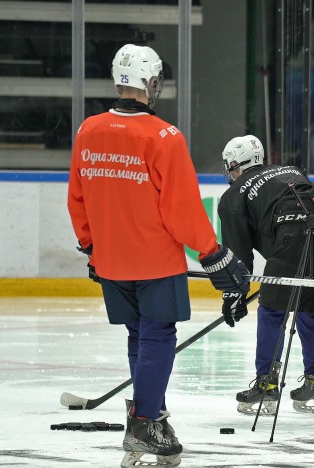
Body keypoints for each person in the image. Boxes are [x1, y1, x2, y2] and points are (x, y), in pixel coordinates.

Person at [67, 44, 249, 468]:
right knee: (158, 335)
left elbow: (78, 198)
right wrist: (215, 254)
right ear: (151, 83)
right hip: (154, 261)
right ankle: (145, 421)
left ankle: (152, 416)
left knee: (138, 336)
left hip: (111, 260)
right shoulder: (164, 136)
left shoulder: (87, 130)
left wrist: (93, 247)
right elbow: (181, 209)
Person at [217, 135, 314, 415]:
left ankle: (267, 384)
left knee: (273, 312)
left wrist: (233, 293)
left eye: (230, 167)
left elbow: (238, 256)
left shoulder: (233, 195)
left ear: (236, 164)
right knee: (311, 311)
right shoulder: (291, 170)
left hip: (293, 239)